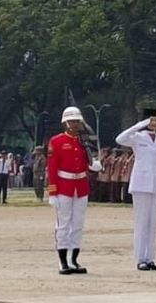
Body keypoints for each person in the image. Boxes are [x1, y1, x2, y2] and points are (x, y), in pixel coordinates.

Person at [47, 106, 102, 275]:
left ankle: (74, 260)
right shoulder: (56, 141)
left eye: (77, 121)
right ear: (65, 123)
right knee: (63, 224)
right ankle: (63, 262)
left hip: (81, 186)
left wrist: (94, 166)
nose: (75, 124)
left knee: (78, 223)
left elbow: (86, 162)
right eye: (71, 121)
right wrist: (52, 192)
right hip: (64, 186)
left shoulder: (84, 140)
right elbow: (52, 168)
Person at [116, 108, 156, 271]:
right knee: (141, 222)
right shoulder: (137, 138)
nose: (154, 123)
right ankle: (140, 258)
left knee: (152, 223)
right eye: (151, 120)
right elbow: (120, 139)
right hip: (141, 183)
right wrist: (138, 126)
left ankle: (150, 258)